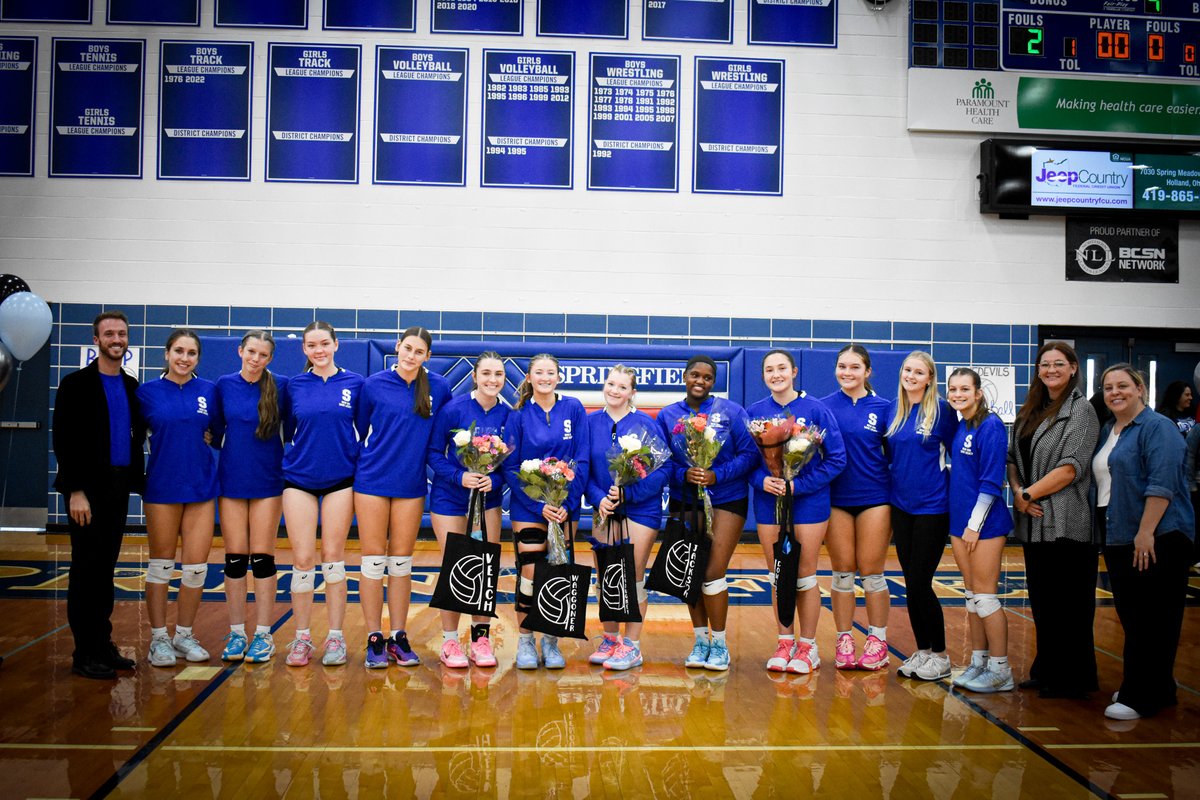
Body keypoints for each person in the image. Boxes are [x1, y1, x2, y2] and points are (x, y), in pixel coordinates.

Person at [1094, 364, 1194, 721]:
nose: (1115, 392)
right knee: (1135, 617)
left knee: (1154, 619)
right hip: (1122, 534)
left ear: (1140, 389)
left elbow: (1162, 483)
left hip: (1158, 536)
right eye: (1108, 387)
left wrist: (1145, 532)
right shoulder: (1110, 429)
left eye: (1123, 385)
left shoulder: (1158, 428)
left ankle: (1142, 695)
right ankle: (1157, 686)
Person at [52, 311, 145, 679]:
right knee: (86, 568)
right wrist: (75, 490)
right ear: (97, 340)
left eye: (121, 334)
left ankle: (102, 643)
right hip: (85, 490)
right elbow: (64, 440)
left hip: (118, 487)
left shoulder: (131, 386)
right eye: (109, 334)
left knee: (105, 568)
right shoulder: (75, 384)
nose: (116, 339)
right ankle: (84, 652)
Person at [1007, 341, 1099, 699]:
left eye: (1059, 364)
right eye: (1045, 365)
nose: (1051, 370)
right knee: (1044, 602)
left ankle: (1072, 678)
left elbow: (1071, 468)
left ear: (1073, 368)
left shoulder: (1082, 411)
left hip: (1066, 520)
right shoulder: (1030, 409)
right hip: (1034, 521)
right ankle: (1046, 670)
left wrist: (1029, 494)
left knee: (1070, 605)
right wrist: (1018, 491)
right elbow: (1013, 457)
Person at [355, 327, 450, 669]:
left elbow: (446, 432)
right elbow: (362, 426)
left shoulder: (439, 388)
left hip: (410, 485)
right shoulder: (373, 384)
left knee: (400, 564)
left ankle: (398, 636)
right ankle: (374, 638)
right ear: (398, 348)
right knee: (372, 562)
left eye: (418, 351)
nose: (411, 355)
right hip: (372, 482)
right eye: (407, 348)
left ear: (427, 356)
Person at [657, 355, 758, 671]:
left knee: (713, 571)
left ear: (714, 382)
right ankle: (701, 641)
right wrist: (682, 475)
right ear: (685, 377)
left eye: (707, 377)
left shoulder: (730, 412)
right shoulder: (668, 415)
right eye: (694, 375)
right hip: (685, 501)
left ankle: (720, 644)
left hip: (726, 499)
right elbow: (661, 461)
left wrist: (718, 474)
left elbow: (750, 454)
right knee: (690, 574)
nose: (700, 381)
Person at [748, 350, 845, 675]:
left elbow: (836, 459)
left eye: (781, 369)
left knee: (804, 576)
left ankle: (808, 647)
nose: (776, 375)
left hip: (809, 504)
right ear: (764, 375)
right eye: (769, 370)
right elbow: (748, 463)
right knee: (778, 575)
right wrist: (763, 480)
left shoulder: (817, 409)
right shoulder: (756, 412)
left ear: (794, 371)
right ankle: (784, 641)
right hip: (769, 504)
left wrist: (797, 486)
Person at [280, 321, 363, 668]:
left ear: (336, 344)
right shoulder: (293, 386)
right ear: (304, 349)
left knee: (333, 558)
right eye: (311, 345)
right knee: (302, 561)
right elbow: (285, 429)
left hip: (340, 480)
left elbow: (366, 426)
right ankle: (301, 639)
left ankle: (335, 638)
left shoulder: (355, 383)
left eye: (324, 343)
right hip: (299, 479)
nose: (319, 350)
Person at [137, 329, 219, 668]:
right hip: (162, 488)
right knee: (161, 566)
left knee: (196, 569)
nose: (185, 358)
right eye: (179, 351)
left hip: (200, 488)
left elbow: (218, 432)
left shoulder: (209, 391)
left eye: (191, 353)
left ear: (198, 358)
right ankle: (159, 638)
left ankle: (184, 635)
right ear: (167, 354)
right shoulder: (146, 393)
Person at [502, 354, 590, 670]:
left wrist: (564, 504)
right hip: (528, 507)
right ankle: (526, 641)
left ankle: (551, 642)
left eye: (550, 372)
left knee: (556, 576)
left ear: (558, 376)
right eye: (538, 372)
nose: (544, 377)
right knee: (529, 575)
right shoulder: (518, 415)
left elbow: (582, 460)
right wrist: (540, 504)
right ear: (528, 378)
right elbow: (511, 467)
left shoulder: (574, 408)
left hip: (565, 507)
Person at [428, 351, 510, 669]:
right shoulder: (453, 409)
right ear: (475, 376)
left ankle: (480, 639)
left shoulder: (508, 415)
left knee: (484, 568)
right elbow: (434, 453)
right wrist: (459, 476)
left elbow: (512, 464)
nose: (492, 380)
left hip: (487, 501)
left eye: (498, 374)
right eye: (486, 373)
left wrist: (497, 479)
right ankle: (450, 641)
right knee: (455, 567)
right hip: (450, 498)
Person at [211, 330, 288, 664]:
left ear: (270, 359)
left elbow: (296, 427)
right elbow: (213, 432)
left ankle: (263, 635)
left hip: (268, 482)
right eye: (251, 352)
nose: (255, 359)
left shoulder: (280, 386)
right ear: (240, 351)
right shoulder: (224, 385)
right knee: (234, 559)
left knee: (262, 558)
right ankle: (237, 632)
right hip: (232, 482)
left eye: (263, 355)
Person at [584, 365, 668, 671]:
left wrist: (628, 495)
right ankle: (610, 638)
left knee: (631, 576)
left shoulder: (646, 423)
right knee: (606, 576)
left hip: (640, 510)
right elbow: (583, 469)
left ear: (633, 392)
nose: (614, 390)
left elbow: (663, 471)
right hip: (604, 509)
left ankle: (632, 646)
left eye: (622, 387)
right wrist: (599, 499)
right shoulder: (590, 422)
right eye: (610, 384)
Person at [820, 344, 894, 672]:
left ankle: (878, 640)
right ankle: (844, 638)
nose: (847, 373)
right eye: (842, 366)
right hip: (836, 500)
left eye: (854, 367)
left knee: (873, 573)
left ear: (868, 371)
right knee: (842, 573)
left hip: (875, 498)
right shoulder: (822, 407)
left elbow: (897, 455)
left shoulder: (887, 408)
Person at [886, 351, 958, 681]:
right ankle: (924, 651)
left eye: (919, 372)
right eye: (907, 370)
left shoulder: (942, 411)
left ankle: (941, 655)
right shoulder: (894, 410)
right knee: (910, 585)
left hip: (933, 507)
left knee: (919, 582)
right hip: (901, 507)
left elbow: (958, 458)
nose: (911, 376)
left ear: (930, 378)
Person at [945, 368, 1015, 692]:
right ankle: (978, 662)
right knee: (972, 598)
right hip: (960, 525)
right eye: (953, 390)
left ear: (978, 393)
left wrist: (974, 526)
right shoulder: (962, 426)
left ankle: (1001, 670)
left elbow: (991, 483)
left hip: (983, 527)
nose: (958, 395)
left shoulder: (991, 427)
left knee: (986, 598)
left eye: (964, 389)